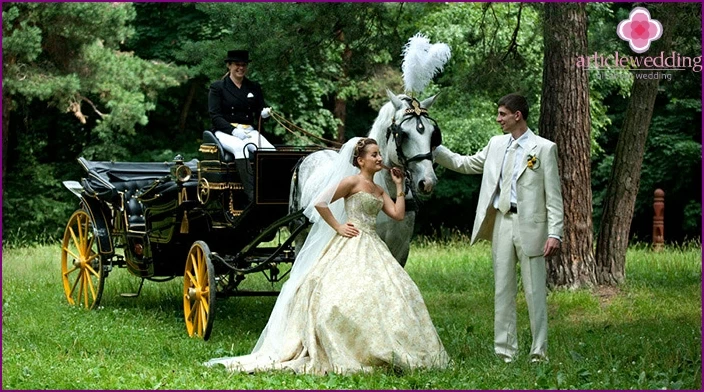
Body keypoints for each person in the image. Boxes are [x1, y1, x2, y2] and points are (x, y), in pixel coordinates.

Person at [205, 137, 449, 374]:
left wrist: (398, 187)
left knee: (392, 292)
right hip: (349, 242)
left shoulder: (378, 189)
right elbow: (320, 202)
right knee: (333, 293)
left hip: (372, 246)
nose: (379, 158)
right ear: (361, 160)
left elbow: (397, 214)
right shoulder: (351, 182)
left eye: (379, 154)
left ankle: (380, 343)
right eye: (374, 154)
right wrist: (339, 227)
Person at [433, 93, 564, 364]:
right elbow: (466, 163)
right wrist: (433, 149)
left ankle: (539, 352)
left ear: (518, 115)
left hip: (532, 227)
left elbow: (554, 196)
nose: (498, 119)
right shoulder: (496, 144)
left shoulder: (544, 149)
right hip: (502, 222)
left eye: (502, 114)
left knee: (534, 291)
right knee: (502, 290)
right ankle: (505, 353)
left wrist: (555, 233)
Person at [208, 49, 275, 202]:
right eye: (237, 64)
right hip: (225, 131)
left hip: (248, 130)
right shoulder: (218, 87)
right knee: (240, 148)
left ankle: (270, 190)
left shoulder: (253, 87)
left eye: (244, 65)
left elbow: (259, 112)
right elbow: (215, 116)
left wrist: (264, 115)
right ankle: (251, 194)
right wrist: (233, 131)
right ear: (229, 66)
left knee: (270, 151)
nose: (241, 68)